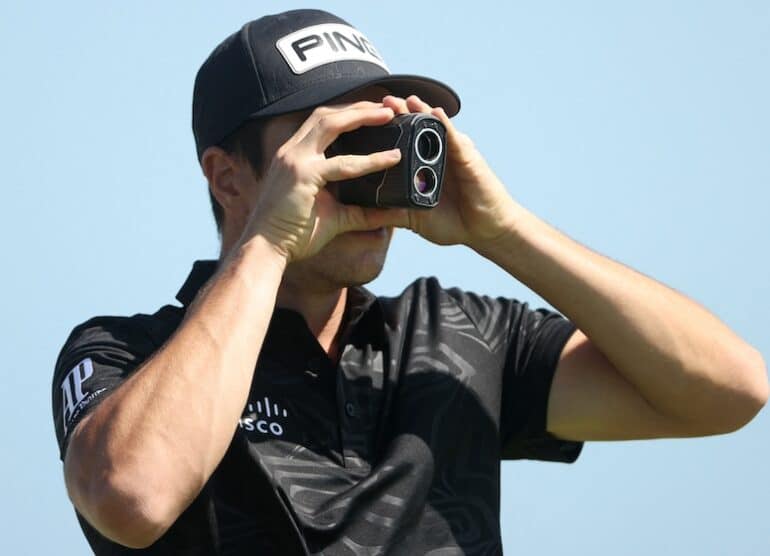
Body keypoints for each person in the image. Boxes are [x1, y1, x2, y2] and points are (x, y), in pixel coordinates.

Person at [51, 9, 768, 556]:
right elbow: (132, 497)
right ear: (228, 175)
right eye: (331, 140)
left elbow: (730, 391)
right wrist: (271, 240)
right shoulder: (128, 352)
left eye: (379, 137)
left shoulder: (458, 337)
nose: (363, 166)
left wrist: (505, 229)